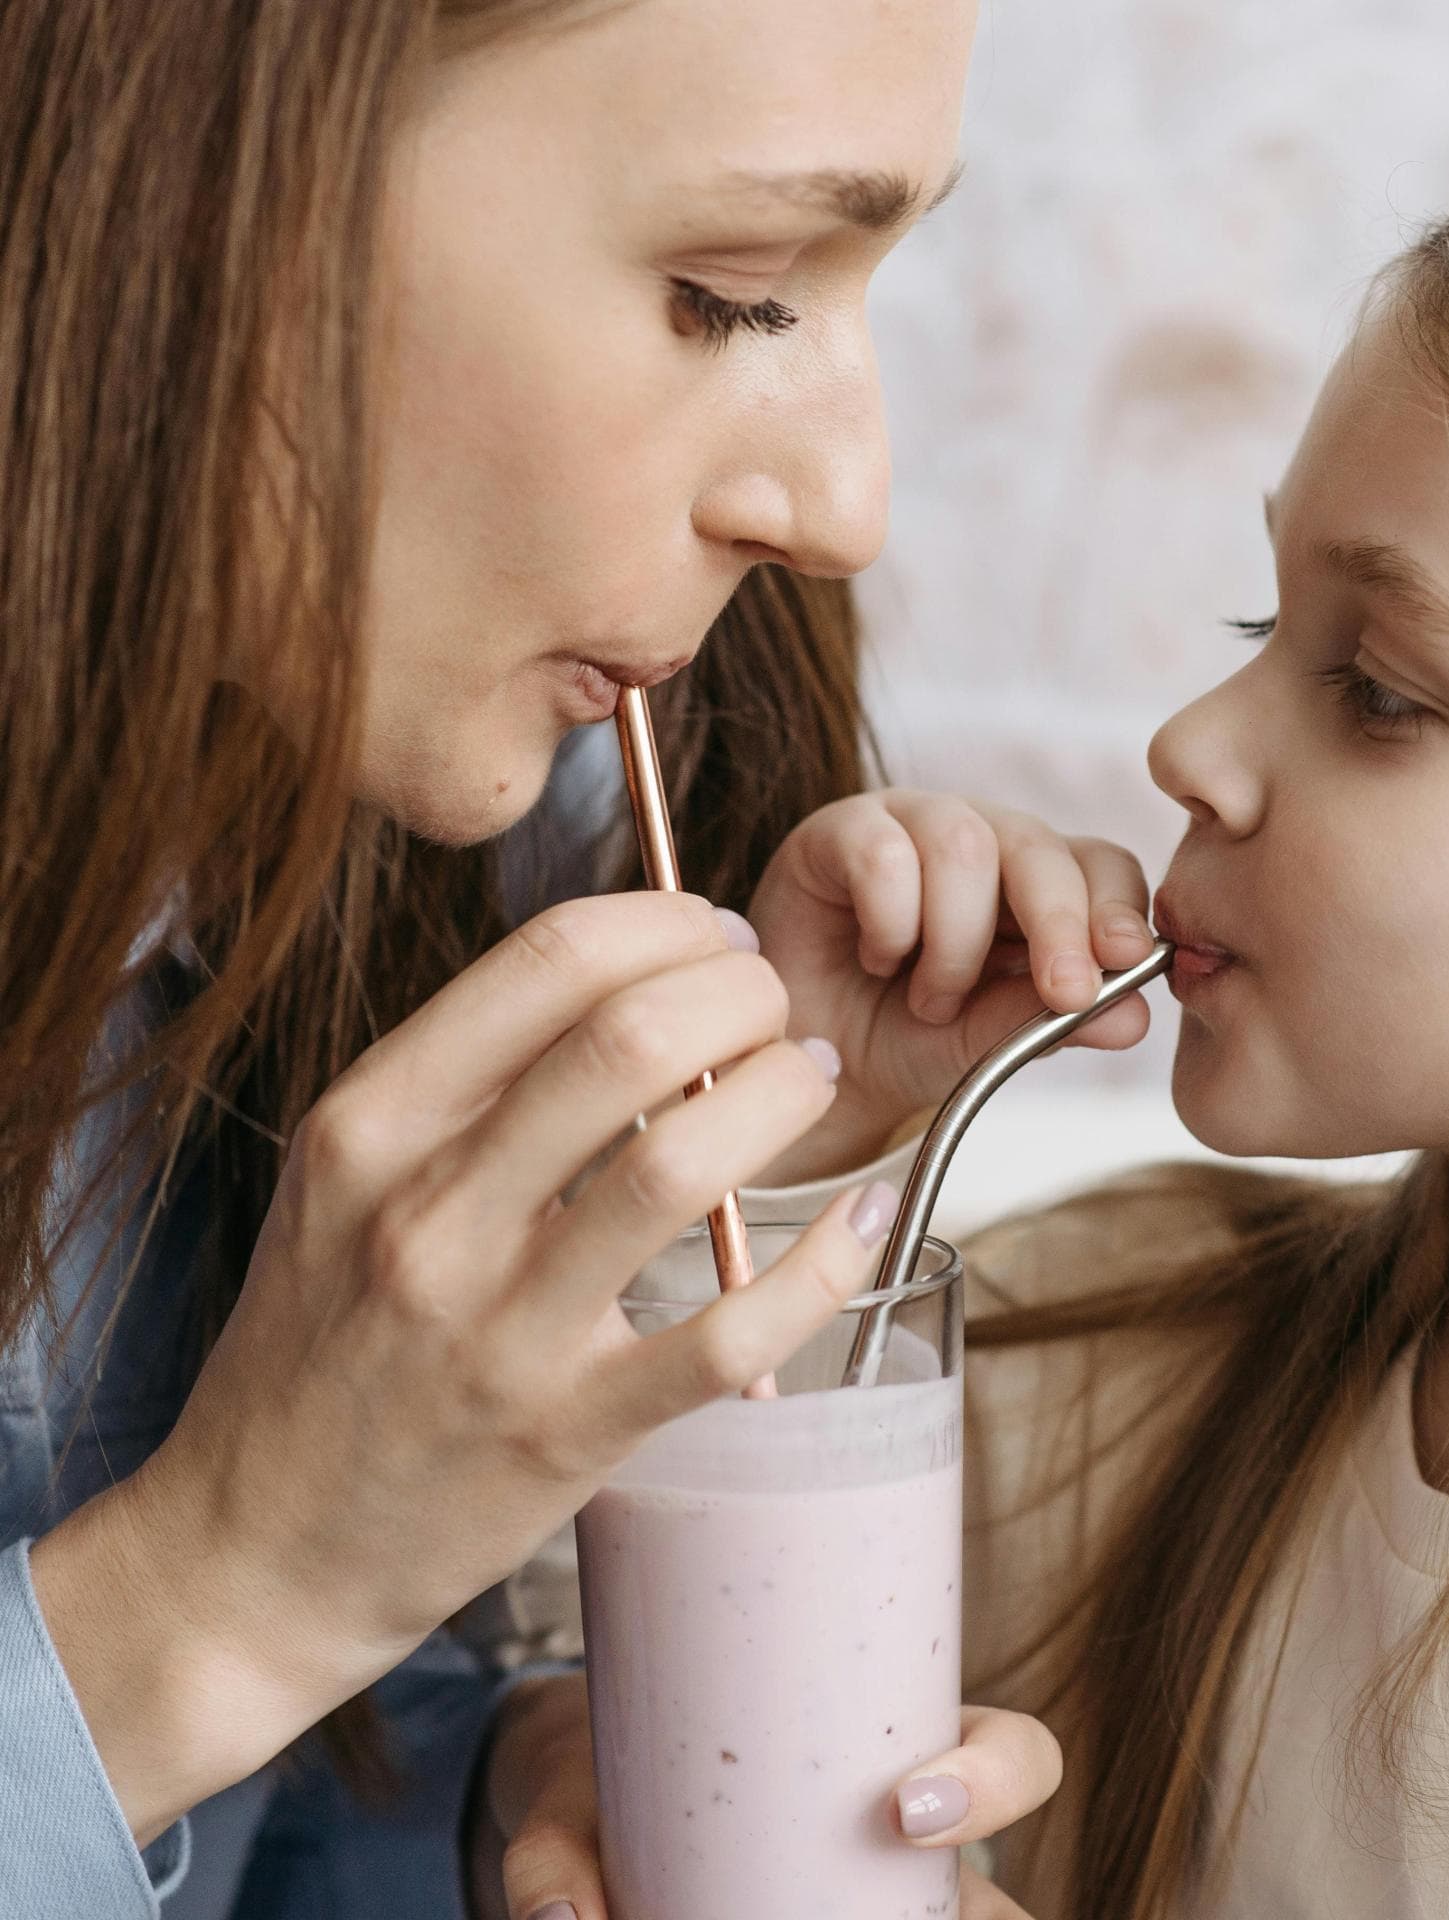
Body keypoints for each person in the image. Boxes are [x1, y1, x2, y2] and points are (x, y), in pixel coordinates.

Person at [503, 143, 1449, 1916]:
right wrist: (797, 1132)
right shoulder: (1121, 1356)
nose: (1189, 745)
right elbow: (536, 1628)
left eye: (1379, 692)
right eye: (1267, 621)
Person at [0, 2, 1155, 1915]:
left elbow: (233, 1829)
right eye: (730, 292)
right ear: (200, 155)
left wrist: (499, 1796)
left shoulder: (427, 831)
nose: (845, 510)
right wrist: (223, 1598)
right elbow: (189, 1637)